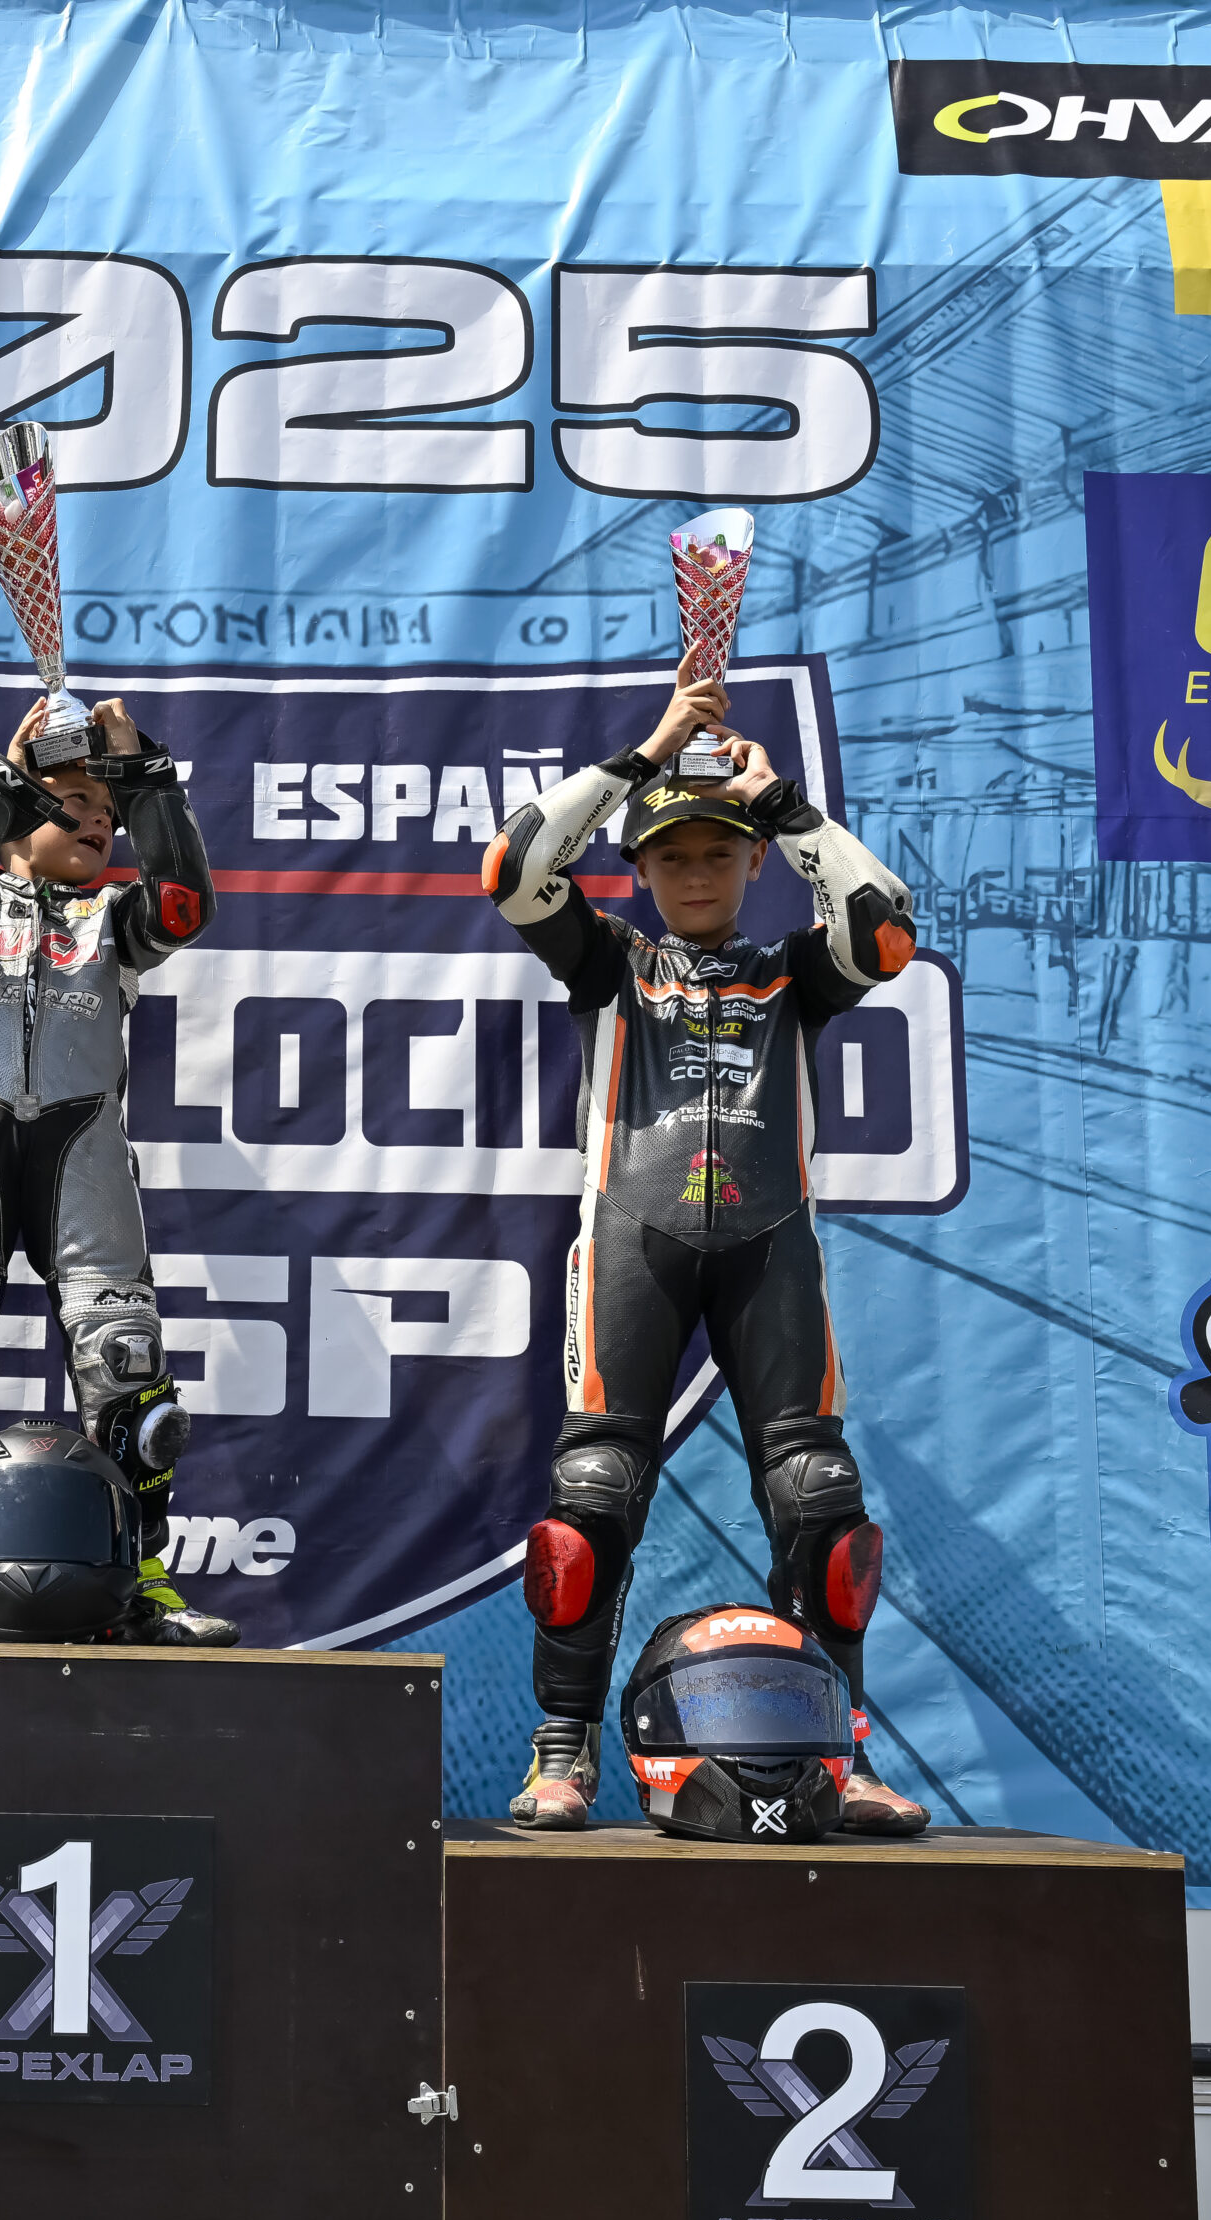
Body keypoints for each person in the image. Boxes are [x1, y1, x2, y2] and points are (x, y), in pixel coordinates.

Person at [484, 658, 931, 1836]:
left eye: (719, 854)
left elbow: (888, 930)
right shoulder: (611, 962)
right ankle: (564, 1748)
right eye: (672, 855)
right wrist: (645, 755)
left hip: (772, 1248)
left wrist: (784, 806)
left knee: (820, 1501)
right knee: (590, 1501)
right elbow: (513, 869)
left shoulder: (793, 974)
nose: (695, 873)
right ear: (638, 869)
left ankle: (843, 1756)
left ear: (752, 864)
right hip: (632, 1239)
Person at [0, 694, 235, 1644]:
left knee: (126, 1363)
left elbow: (185, 904)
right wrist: (1, 780)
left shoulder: (115, 919)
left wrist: (145, 781)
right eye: (75, 804)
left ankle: (144, 1581)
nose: (98, 823)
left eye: (109, 814)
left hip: (82, 1147)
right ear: (20, 815)